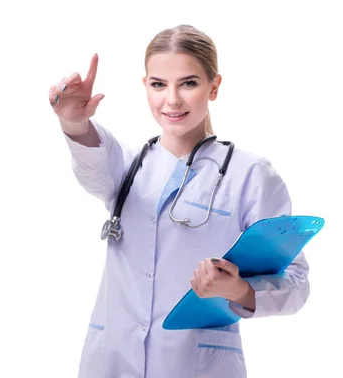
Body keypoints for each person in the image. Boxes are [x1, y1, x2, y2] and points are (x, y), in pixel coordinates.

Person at [49, 24, 310, 378]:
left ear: (213, 87)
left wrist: (239, 289)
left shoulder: (249, 175)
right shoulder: (126, 165)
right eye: (158, 84)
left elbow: (296, 282)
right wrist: (72, 121)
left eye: (188, 83)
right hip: (111, 362)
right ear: (145, 87)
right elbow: (90, 160)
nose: (171, 100)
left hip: (195, 365)